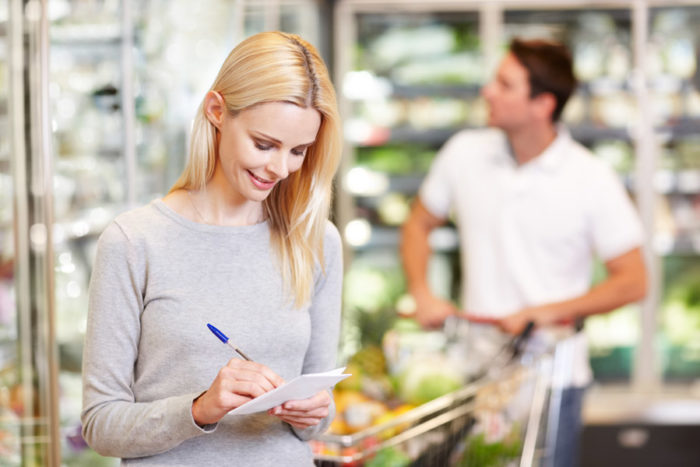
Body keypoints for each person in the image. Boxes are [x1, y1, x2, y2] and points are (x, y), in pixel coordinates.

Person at [81, 31, 343, 466]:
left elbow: (319, 414)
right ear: (217, 111)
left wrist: (314, 410)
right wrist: (200, 408)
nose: (279, 168)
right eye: (264, 144)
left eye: (298, 151)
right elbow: (101, 425)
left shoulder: (315, 241)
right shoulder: (134, 242)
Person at [400, 38, 647, 467]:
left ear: (542, 104)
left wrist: (544, 312)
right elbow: (418, 224)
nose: (488, 91)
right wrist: (421, 291)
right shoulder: (464, 153)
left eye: (505, 84)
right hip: (473, 376)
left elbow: (633, 281)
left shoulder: (591, 178)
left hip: (552, 383)